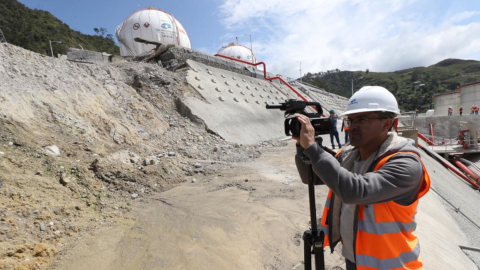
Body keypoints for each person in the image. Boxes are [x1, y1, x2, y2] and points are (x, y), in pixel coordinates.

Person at [294, 86, 430, 270]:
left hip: (392, 264)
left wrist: (312, 148)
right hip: (355, 259)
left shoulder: (406, 163)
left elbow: (355, 191)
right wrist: (302, 147)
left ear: (386, 124)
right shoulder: (349, 154)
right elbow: (311, 177)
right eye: (351, 119)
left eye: (362, 119)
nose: (353, 125)